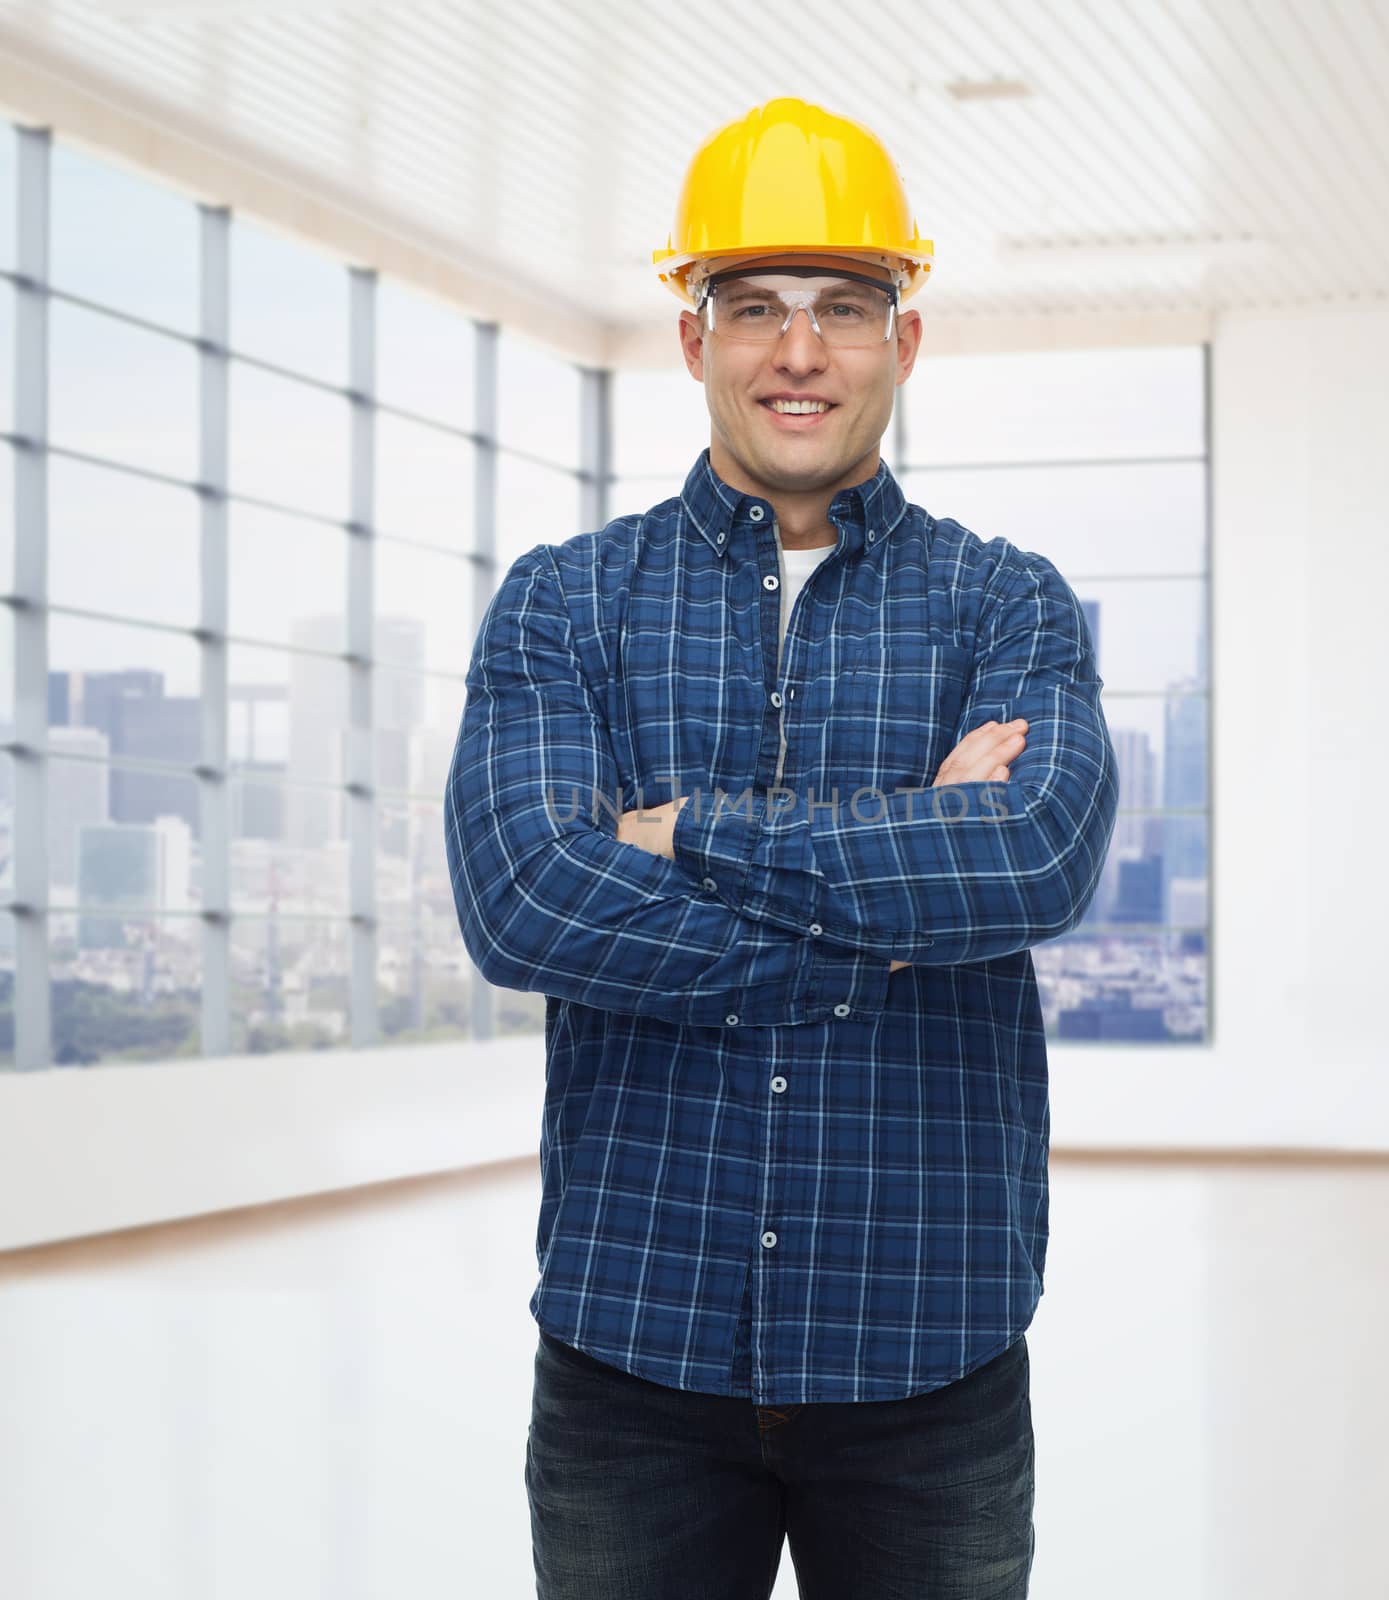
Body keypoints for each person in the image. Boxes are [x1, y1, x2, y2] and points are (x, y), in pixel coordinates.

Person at [445, 96, 1118, 1600]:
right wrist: (895, 903)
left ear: (905, 340)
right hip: (636, 1346)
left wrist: (687, 834)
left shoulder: (1008, 603)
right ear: (694, 341)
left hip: (927, 1350)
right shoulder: (568, 602)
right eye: (752, 307)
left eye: (843, 308)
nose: (798, 350)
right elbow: (524, 900)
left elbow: (1032, 865)